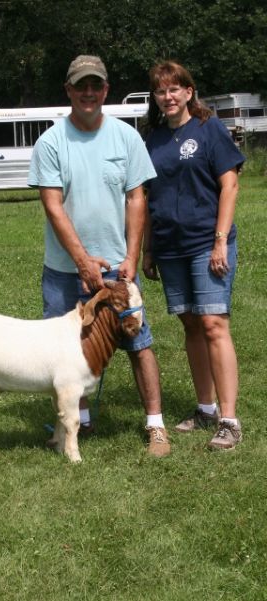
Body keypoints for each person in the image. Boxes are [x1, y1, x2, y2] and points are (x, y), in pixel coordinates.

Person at [28, 55, 170, 457]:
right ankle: (80, 424)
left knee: (139, 343)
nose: (88, 92)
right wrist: (83, 261)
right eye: (80, 85)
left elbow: (136, 198)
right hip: (63, 270)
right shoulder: (52, 142)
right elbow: (53, 206)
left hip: (119, 269)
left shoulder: (126, 138)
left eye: (96, 85)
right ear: (69, 90)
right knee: (67, 347)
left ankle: (156, 426)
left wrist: (131, 254)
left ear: (106, 90)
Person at [143, 60, 245, 450]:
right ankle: (205, 408)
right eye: (160, 90)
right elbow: (148, 196)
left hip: (207, 243)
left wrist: (220, 241)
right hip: (170, 247)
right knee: (190, 326)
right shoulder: (151, 140)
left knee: (214, 324)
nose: (167, 97)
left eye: (174, 89)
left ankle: (229, 420)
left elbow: (230, 185)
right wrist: (149, 249)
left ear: (189, 91)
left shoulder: (209, 129)